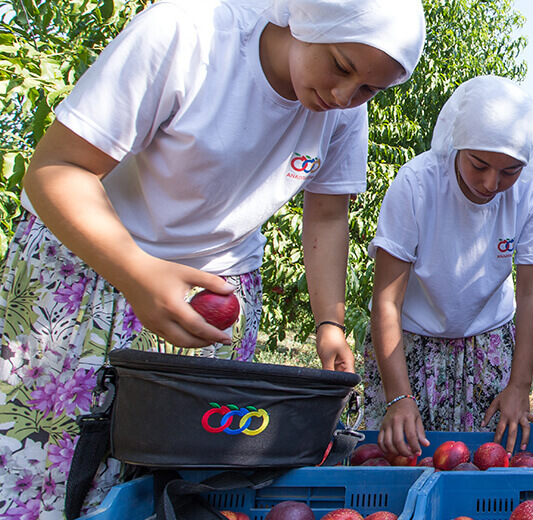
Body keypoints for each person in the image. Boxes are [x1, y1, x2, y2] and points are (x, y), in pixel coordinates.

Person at [0, 0, 425, 515]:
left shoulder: (344, 112)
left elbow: (328, 217)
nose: (343, 95)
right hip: (89, 267)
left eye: (368, 88)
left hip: (213, 288)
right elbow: (56, 170)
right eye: (339, 66)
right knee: (55, 464)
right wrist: (135, 273)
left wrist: (329, 322)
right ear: (305, 19)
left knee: (185, 478)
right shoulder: (187, 36)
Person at [361, 75, 533, 458]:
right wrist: (398, 395)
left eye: (509, 171)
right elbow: (387, 299)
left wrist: (519, 386)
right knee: (404, 458)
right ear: (458, 143)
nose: (490, 183)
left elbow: (532, 294)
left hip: (487, 345)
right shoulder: (418, 184)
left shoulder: (532, 196)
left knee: (480, 462)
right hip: (410, 343)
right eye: (479, 165)